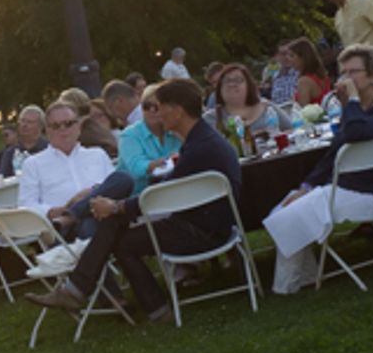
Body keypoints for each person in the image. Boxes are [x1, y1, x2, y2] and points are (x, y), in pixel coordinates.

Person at [26, 79, 241, 321]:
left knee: (121, 239)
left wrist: (116, 207)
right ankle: (79, 289)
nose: (156, 113)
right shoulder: (200, 140)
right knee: (117, 214)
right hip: (205, 223)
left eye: (161, 107)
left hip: (202, 231)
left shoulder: (198, 147)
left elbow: (164, 197)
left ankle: (143, 306)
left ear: (178, 112)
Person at [262, 46, 373, 294]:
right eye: (344, 73)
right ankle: (305, 276)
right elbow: (332, 155)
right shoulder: (356, 109)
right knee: (284, 208)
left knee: (288, 216)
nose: (347, 79)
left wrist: (350, 101)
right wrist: (305, 188)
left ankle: (285, 287)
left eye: (355, 72)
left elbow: (354, 134)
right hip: (345, 187)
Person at [19, 99, 131, 239]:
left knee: (123, 178)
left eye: (68, 124)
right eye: (56, 126)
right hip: (65, 231)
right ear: (47, 131)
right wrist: (56, 211)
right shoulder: (33, 163)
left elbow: (116, 188)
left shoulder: (97, 154)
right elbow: (26, 205)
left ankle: (72, 214)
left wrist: (91, 192)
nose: (63, 130)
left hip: (105, 216)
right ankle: (71, 216)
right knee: (91, 224)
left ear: (78, 126)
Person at [117, 84, 182, 192]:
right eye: (146, 106)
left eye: (157, 106)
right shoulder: (129, 135)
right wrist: (155, 165)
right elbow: (136, 168)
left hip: (171, 191)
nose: (151, 110)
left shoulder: (175, 132)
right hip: (138, 196)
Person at [204, 64, 292, 137]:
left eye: (238, 80)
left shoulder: (267, 107)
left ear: (249, 86)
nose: (232, 84)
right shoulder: (211, 118)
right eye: (227, 81)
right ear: (219, 88)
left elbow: (293, 130)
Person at [1, 105, 48, 178]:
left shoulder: (50, 149)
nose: (24, 125)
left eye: (30, 122)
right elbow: (3, 180)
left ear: (41, 126)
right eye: (22, 121)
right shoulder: (10, 153)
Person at [287, 38, 331, 107]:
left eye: (292, 56)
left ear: (303, 58)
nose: (289, 59)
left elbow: (301, 110)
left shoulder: (304, 81)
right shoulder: (322, 76)